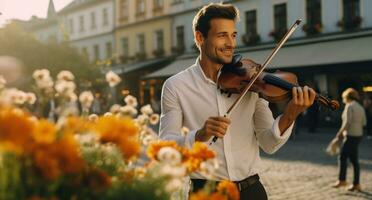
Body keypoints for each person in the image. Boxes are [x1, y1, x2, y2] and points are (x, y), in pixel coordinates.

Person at [159, 3, 316, 200]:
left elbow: (269, 143)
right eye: (222, 35)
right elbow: (165, 148)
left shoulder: (251, 83)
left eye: (233, 35)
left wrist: (290, 114)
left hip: (252, 191)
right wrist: (199, 135)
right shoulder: (176, 86)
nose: (231, 44)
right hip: (207, 193)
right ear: (200, 38)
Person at [332, 88, 366, 192]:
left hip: (351, 135)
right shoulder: (360, 107)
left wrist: (339, 134)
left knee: (342, 157)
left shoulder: (349, 106)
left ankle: (342, 180)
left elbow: (347, 122)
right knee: (354, 160)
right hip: (358, 134)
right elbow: (364, 122)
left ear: (346, 97)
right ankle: (357, 184)